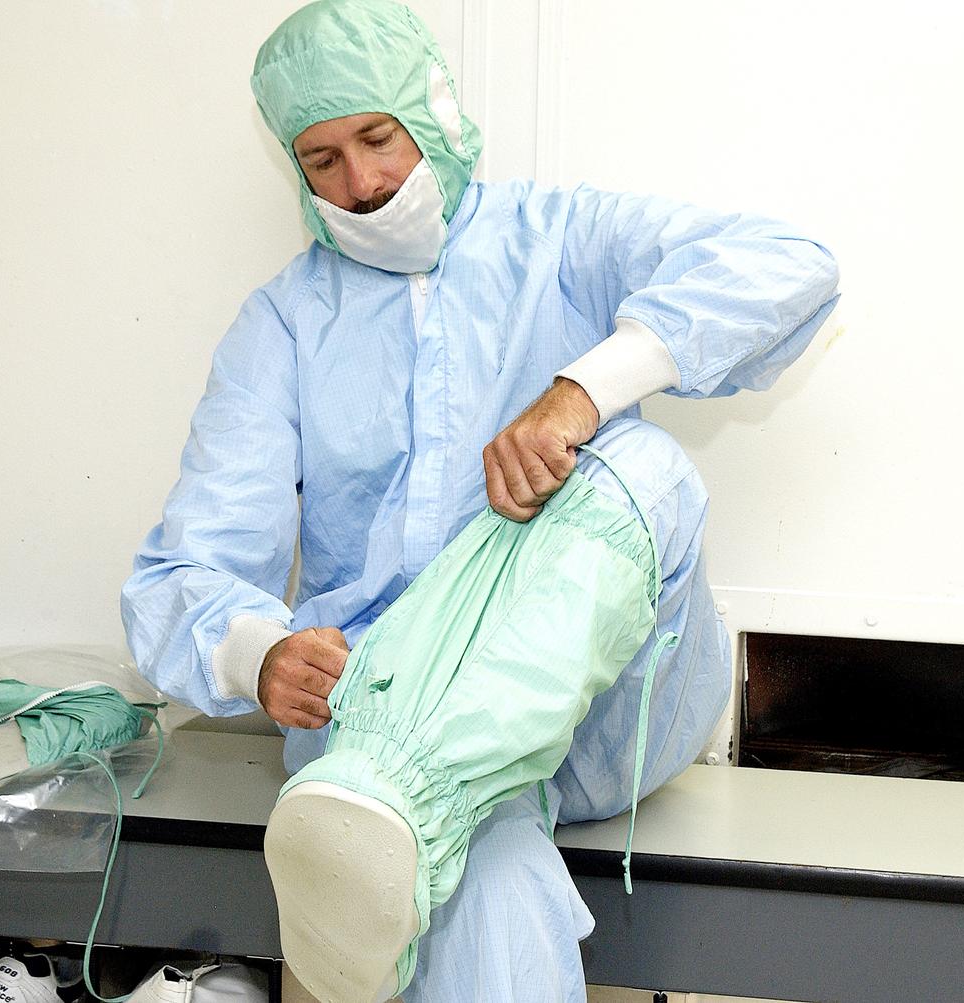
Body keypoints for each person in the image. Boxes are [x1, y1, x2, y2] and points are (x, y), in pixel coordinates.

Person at [120, 1, 840, 998]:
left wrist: (582, 388)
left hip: (593, 720)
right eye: (322, 160)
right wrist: (258, 652)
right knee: (485, 883)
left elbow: (788, 263)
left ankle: (419, 791)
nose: (361, 184)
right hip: (373, 719)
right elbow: (181, 569)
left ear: (436, 114)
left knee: (645, 466)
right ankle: (425, 801)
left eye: (377, 138)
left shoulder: (560, 240)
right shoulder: (283, 325)